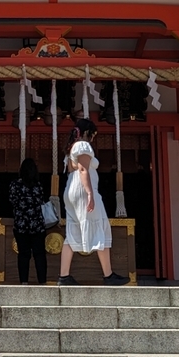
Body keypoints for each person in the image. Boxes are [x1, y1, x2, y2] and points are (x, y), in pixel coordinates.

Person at [58, 118, 129, 287]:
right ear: (88, 133)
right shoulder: (82, 146)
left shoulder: (71, 149)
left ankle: (64, 275)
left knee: (73, 231)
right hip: (82, 190)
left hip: (72, 190)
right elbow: (83, 169)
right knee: (100, 227)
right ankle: (108, 274)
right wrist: (90, 193)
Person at [9, 158, 48, 285]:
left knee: (23, 254)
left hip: (21, 224)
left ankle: (24, 281)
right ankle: (42, 281)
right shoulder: (38, 186)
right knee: (39, 253)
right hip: (37, 225)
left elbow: (12, 200)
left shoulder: (15, 184)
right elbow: (41, 201)